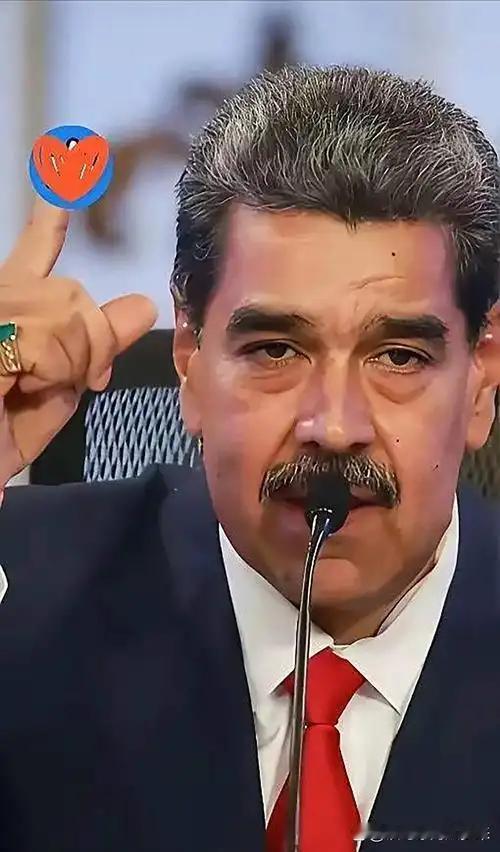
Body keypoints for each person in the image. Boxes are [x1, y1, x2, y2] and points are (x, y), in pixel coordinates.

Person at [0, 64, 499, 852]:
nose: (334, 427)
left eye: (399, 357)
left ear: (481, 378)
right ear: (189, 358)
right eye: (275, 349)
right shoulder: (20, 594)